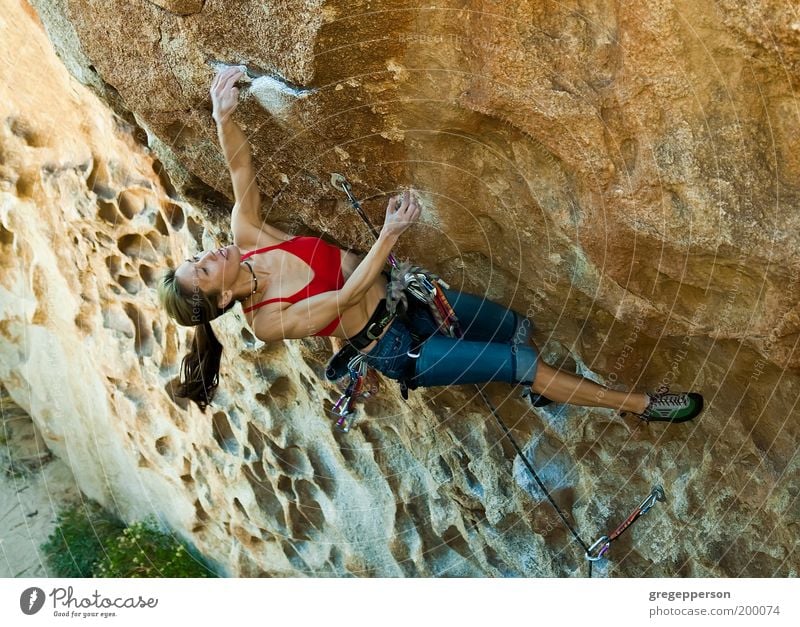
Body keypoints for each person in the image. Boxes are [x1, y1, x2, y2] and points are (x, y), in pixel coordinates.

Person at [158, 67, 704, 424]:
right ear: (223, 300)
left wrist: (222, 115)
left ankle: (546, 389)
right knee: (521, 360)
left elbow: (239, 167)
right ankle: (640, 405)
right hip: (397, 349)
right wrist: (390, 234)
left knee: (515, 326)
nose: (207, 257)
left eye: (196, 258)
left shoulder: (247, 239)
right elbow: (346, 298)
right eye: (203, 273)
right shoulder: (268, 321)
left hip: (409, 296)